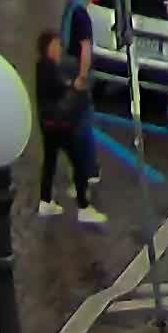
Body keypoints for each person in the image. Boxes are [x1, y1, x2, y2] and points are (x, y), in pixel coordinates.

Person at [30, 28, 102, 223]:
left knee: (50, 162)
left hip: (48, 124)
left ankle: (46, 201)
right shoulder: (49, 68)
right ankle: (83, 207)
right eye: (55, 45)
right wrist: (73, 86)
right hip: (60, 125)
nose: (59, 49)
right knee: (79, 162)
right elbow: (58, 89)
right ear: (47, 48)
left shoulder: (42, 66)